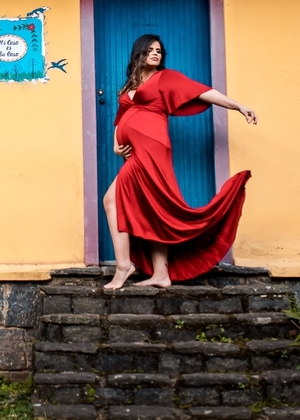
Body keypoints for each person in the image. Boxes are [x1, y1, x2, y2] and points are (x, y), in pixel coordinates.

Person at [102, 34, 256, 289]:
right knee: (153, 208)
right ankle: (160, 273)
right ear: (138, 52)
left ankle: (123, 267)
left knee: (113, 200)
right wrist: (116, 147)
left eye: (159, 50)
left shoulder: (166, 78)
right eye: (150, 49)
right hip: (137, 151)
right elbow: (119, 120)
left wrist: (237, 106)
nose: (156, 53)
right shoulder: (129, 86)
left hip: (153, 147)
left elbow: (204, 92)